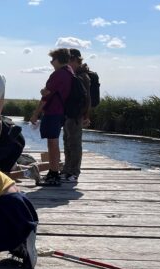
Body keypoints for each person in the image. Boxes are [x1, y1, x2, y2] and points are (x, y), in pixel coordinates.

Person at [29, 48, 74, 186]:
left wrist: (35, 113)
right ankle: (53, 172)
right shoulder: (69, 72)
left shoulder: (58, 74)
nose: (51, 62)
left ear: (59, 59)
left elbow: (46, 96)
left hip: (53, 112)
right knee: (54, 142)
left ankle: (53, 175)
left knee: (52, 143)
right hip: (61, 112)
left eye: (52, 59)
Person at [61, 48, 91, 182]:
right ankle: (67, 170)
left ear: (74, 60)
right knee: (67, 142)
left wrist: (85, 115)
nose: (67, 63)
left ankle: (74, 172)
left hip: (76, 116)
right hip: (68, 115)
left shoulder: (82, 76)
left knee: (75, 144)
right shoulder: (73, 74)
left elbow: (87, 99)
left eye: (69, 60)